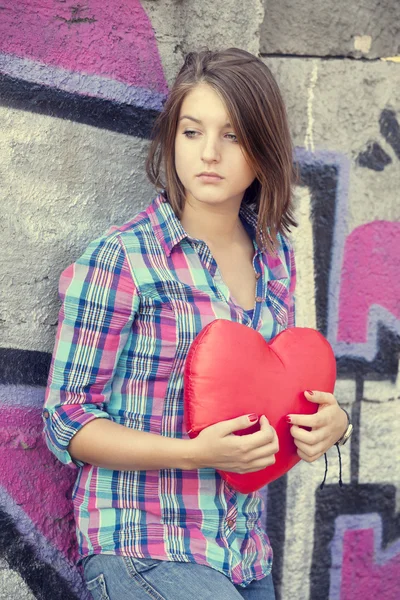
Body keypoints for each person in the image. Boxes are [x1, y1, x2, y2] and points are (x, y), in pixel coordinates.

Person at [43, 48, 349, 600]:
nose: (209, 153)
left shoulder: (276, 261)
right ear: (171, 139)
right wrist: (194, 454)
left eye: (232, 136)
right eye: (192, 131)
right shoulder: (123, 260)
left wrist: (329, 425)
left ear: (263, 148)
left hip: (243, 553)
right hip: (141, 545)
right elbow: (67, 422)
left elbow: (275, 395)